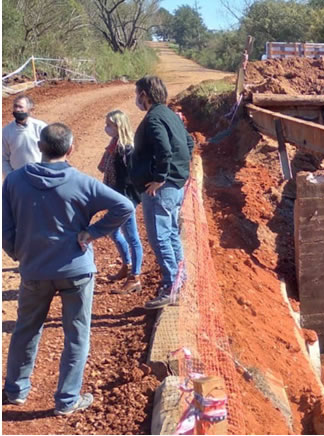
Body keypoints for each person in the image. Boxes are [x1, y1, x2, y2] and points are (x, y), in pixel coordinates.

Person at [2, 123, 134, 415]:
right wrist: (92, 233)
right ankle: (66, 400)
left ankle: (15, 390)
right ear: (71, 149)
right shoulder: (83, 183)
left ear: (39, 146)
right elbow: (125, 206)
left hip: (34, 269)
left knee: (25, 330)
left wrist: (18, 253)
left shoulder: (13, 181)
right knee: (77, 335)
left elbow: (6, 227)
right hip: (76, 270)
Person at [130, 75, 194, 310]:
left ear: (144, 95)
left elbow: (164, 149)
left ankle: (170, 286)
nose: (136, 99)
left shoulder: (155, 118)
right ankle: (179, 278)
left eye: (137, 94)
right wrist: (179, 173)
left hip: (162, 189)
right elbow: (189, 143)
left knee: (159, 236)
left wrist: (159, 178)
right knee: (171, 234)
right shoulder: (169, 114)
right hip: (175, 185)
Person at [98, 110, 143, 294]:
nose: (106, 128)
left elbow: (131, 178)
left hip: (124, 199)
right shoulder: (114, 144)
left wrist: (125, 201)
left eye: (109, 125)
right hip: (114, 197)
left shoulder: (127, 149)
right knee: (114, 232)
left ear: (118, 127)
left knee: (132, 236)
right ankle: (127, 265)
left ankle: (135, 277)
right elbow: (103, 168)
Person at [2, 95, 47, 178]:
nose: (17, 109)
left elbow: (50, 153)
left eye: (20, 107)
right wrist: (10, 176)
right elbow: (3, 158)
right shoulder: (6, 131)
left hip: (39, 176)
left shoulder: (40, 127)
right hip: (18, 179)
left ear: (29, 110)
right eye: (15, 106)